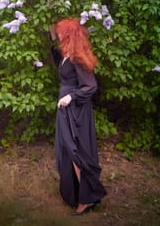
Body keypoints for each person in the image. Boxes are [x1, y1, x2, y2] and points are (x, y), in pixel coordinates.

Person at [49, 18, 107, 216]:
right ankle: (79, 193)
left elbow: (91, 87)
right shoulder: (65, 55)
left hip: (75, 111)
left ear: (68, 35)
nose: (57, 34)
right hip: (66, 109)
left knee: (76, 152)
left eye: (60, 31)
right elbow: (62, 67)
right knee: (66, 150)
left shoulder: (76, 59)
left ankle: (87, 197)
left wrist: (71, 97)